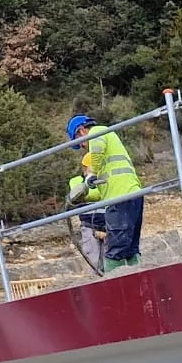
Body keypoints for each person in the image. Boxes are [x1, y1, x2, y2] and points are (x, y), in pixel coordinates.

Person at [66, 114, 143, 269]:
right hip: (133, 194)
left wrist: (92, 173)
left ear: (81, 130)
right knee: (130, 247)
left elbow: (97, 149)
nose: (83, 147)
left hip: (119, 198)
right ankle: (139, 275)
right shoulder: (106, 158)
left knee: (115, 248)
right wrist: (83, 196)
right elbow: (99, 194)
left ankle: (113, 280)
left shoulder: (98, 131)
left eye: (79, 142)